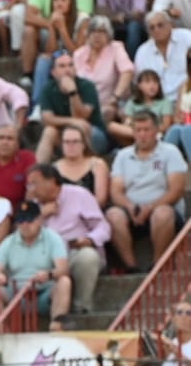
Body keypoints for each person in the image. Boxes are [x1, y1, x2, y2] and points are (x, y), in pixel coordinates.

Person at [105, 111, 187, 274]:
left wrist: (150, 207)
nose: (142, 135)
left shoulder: (170, 152)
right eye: (138, 130)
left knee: (162, 213)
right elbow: (116, 190)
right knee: (113, 214)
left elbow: (176, 190)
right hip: (132, 211)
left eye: (147, 130)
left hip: (164, 210)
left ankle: (158, 265)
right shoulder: (123, 156)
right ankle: (131, 267)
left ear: (156, 130)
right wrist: (129, 207)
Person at [25, 163, 110, 314]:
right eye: (29, 184)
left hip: (73, 253)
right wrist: (40, 215)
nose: (30, 189)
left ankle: (81, 308)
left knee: (88, 256)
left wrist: (88, 240)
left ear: (51, 182)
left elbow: (103, 227)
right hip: (45, 259)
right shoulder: (32, 206)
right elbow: (21, 238)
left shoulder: (79, 194)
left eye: (34, 184)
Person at [0, 200, 72, 330]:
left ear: (39, 220)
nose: (25, 225)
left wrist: (49, 274)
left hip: (43, 294)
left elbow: (63, 269)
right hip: (16, 295)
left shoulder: (53, 238)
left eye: (29, 220)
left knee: (64, 282)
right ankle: (3, 331)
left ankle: (56, 326)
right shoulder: (9, 242)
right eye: (21, 221)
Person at [37, 49, 108, 162]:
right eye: (62, 66)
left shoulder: (87, 86)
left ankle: (86, 167)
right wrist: (71, 121)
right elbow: (47, 118)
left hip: (94, 135)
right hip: (65, 135)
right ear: (53, 72)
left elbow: (82, 116)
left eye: (70, 65)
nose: (67, 70)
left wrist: (73, 93)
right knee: (49, 131)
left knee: (80, 127)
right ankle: (39, 171)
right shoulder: (48, 89)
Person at [134, 11, 191, 103]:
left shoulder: (187, 37)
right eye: (152, 27)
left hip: (186, 98)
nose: (156, 30)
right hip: (157, 102)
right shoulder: (142, 51)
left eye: (160, 25)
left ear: (170, 24)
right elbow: (140, 81)